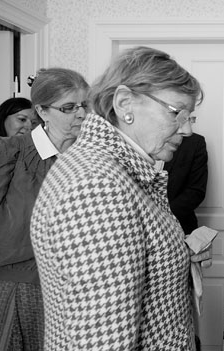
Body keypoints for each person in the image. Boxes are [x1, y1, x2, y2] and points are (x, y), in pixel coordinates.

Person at [30, 46, 212, 350]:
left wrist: (175, 254)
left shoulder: (115, 171)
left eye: (189, 115)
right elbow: (100, 341)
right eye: (176, 112)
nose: (188, 128)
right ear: (125, 103)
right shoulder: (96, 185)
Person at [0, 68, 89, 351]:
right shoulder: (7, 152)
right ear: (42, 111)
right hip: (13, 288)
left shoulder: (90, 159)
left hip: (74, 293)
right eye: (69, 107)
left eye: (84, 105)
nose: (81, 114)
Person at [164, 132, 209, 235]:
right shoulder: (131, 140)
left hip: (180, 229)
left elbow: (196, 191)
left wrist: (162, 215)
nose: (188, 128)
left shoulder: (195, 142)